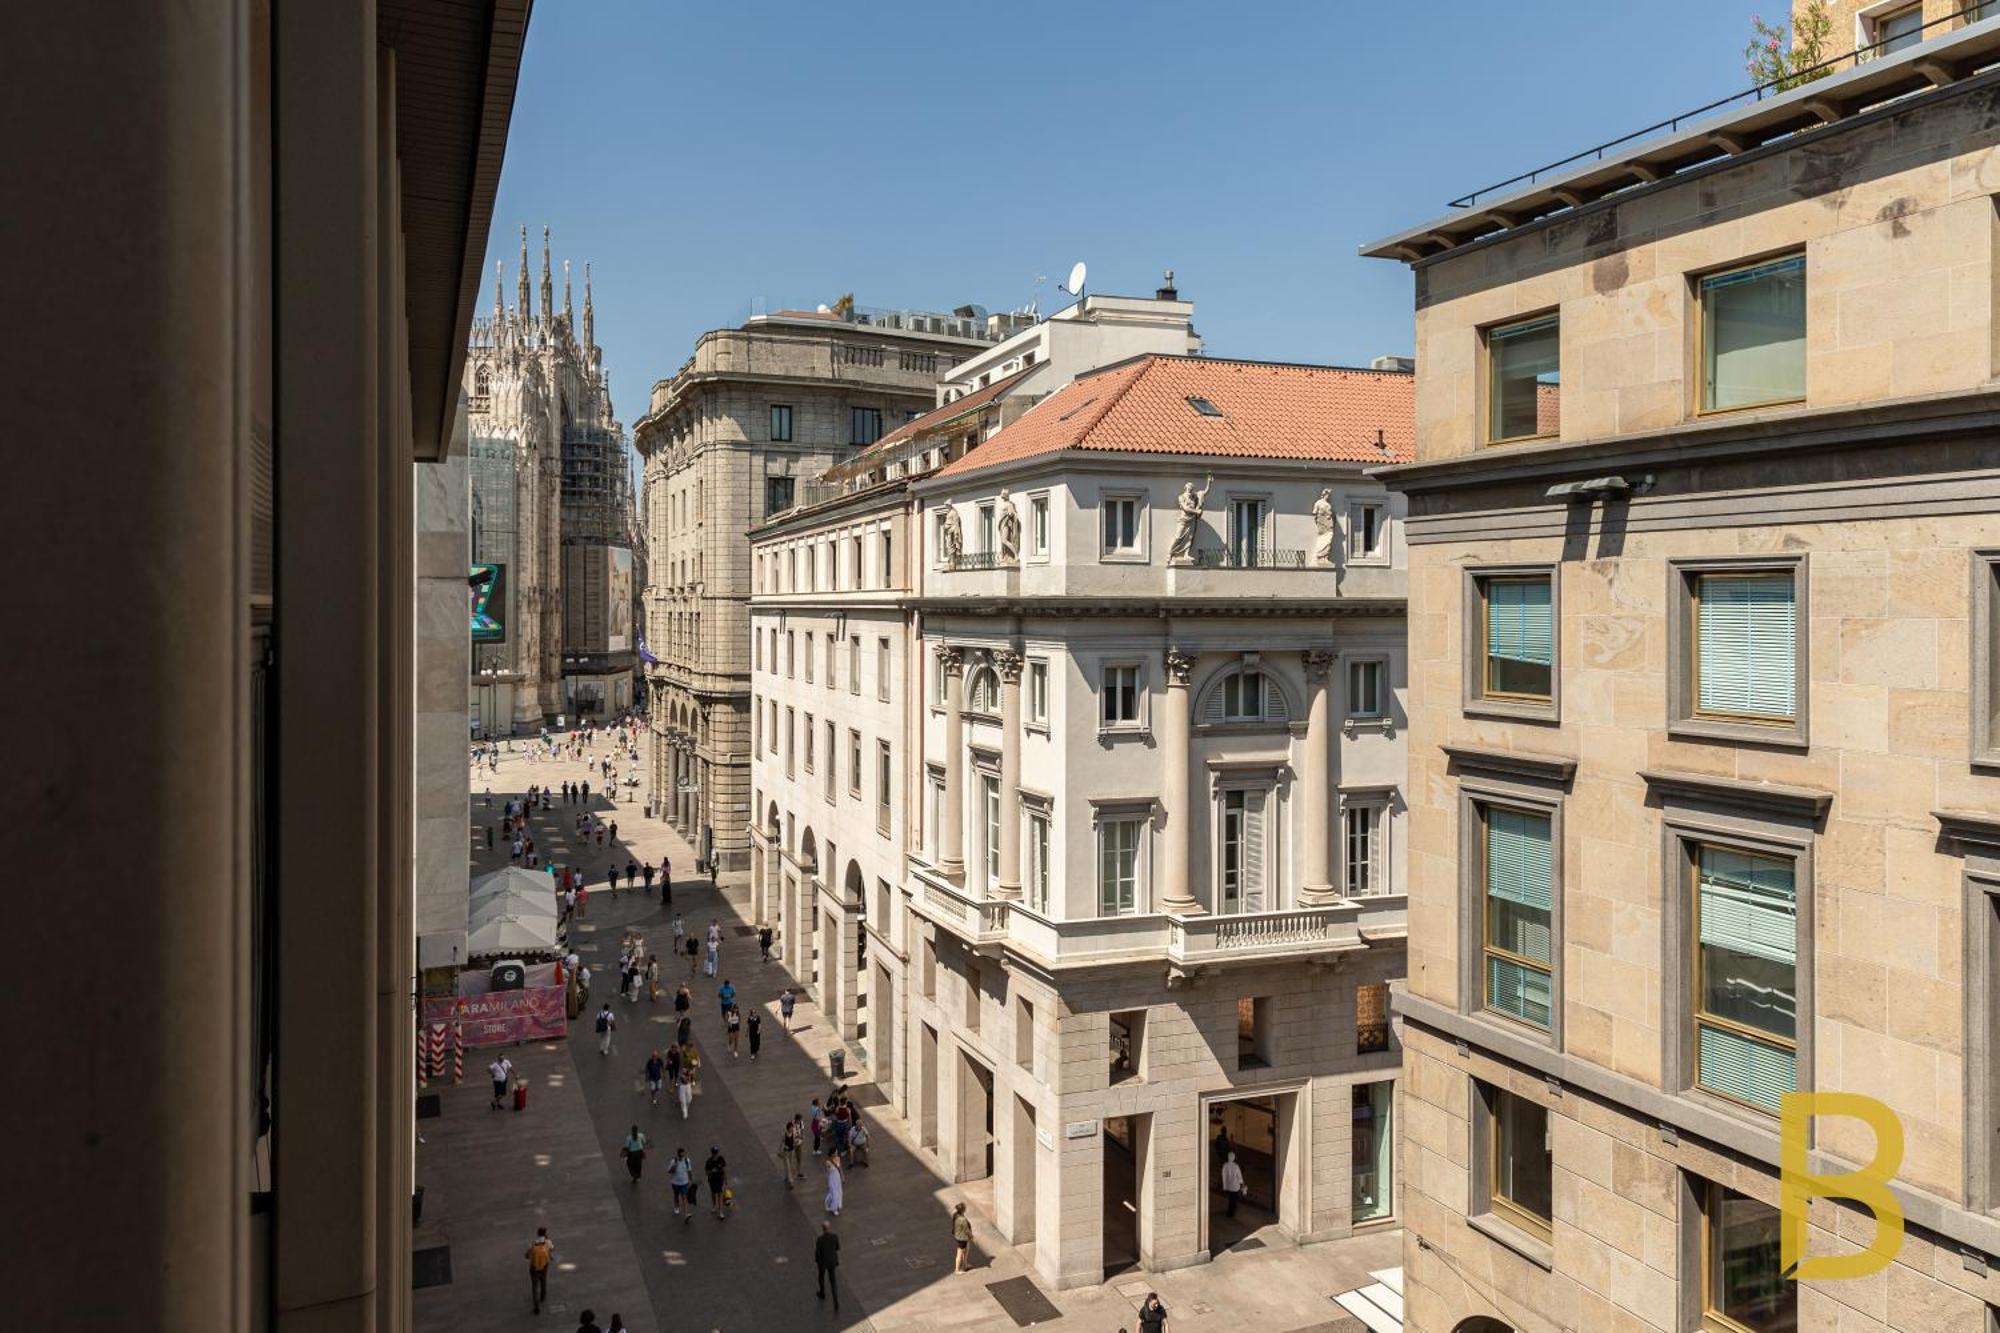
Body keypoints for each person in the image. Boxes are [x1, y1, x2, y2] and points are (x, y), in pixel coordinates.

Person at [525, 1227, 554, 1314]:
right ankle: (543, 1296)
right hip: (544, 1265)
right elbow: (552, 1248)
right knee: (543, 1280)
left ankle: (536, 1306)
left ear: (537, 1233)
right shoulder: (547, 1242)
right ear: (545, 1233)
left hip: (534, 1267)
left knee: (534, 1287)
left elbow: (527, 1255)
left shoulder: (533, 1243)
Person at [814, 1221, 841, 1309]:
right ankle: (836, 1300)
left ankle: (822, 1293)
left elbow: (817, 1252)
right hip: (832, 1261)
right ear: (829, 1228)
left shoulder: (820, 1239)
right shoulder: (834, 1237)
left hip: (823, 1262)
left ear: (823, 1229)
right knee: (833, 1281)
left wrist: (817, 1260)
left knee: (821, 1277)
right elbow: (837, 1247)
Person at [668, 1148, 694, 1219]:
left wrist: (691, 1179)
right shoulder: (673, 1161)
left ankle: (686, 1214)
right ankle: (676, 1206)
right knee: (676, 1195)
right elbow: (669, 1171)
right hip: (675, 1183)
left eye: (683, 1154)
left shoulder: (687, 1160)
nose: (682, 1156)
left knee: (684, 1197)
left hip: (684, 1182)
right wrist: (674, 1166)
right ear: (678, 1154)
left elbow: (689, 1170)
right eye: (681, 1155)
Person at [1220, 1150, 1245, 1218]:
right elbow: (1239, 1176)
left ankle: (1230, 1211)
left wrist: (1224, 1186)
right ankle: (1232, 1211)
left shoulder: (1225, 1165)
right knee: (1234, 1199)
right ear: (1233, 1158)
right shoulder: (1236, 1166)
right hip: (1235, 1186)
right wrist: (1242, 1183)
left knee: (1231, 1198)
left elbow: (1224, 1177)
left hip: (1229, 1186)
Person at [705, 1146, 728, 1218]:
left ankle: (721, 1211)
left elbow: (723, 1170)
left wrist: (725, 1180)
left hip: (720, 1179)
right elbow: (706, 1173)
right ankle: (714, 1205)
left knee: (720, 1194)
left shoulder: (721, 1159)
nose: (715, 1154)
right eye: (714, 1153)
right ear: (712, 1153)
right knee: (713, 1193)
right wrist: (712, 1171)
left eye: (716, 1152)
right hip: (712, 1180)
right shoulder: (709, 1161)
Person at [781, 1115, 804, 1187]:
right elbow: (782, 1142)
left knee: (795, 1161)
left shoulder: (800, 1124)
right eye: (791, 1128)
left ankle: (796, 1173)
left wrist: (800, 1138)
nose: (792, 1129)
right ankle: (790, 1180)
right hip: (787, 1151)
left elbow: (801, 1131)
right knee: (788, 1166)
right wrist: (781, 1149)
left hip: (794, 1147)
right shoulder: (785, 1133)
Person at [951, 1201, 973, 1273]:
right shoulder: (962, 1219)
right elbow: (966, 1230)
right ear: (963, 1210)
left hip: (959, 1235)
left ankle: (965, 1265)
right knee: (959, 1253)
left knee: (966, 1250)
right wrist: (971, 1237)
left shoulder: (956, 1215)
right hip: (962, 1238)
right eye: (965, 1208)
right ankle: (957, 1270)